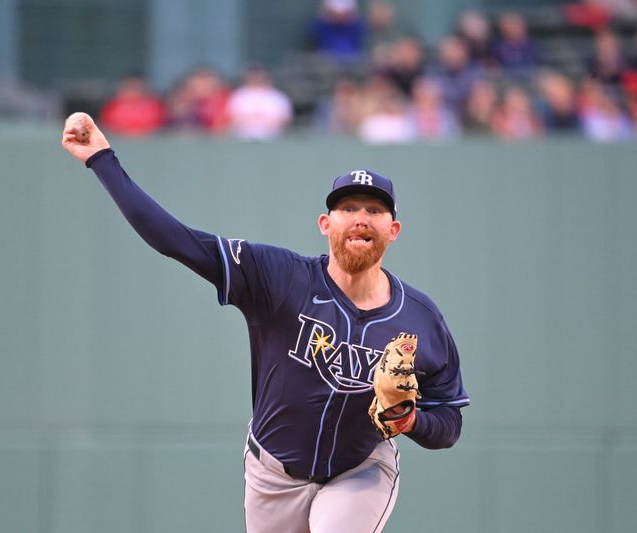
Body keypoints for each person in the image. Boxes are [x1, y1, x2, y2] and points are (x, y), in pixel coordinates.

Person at [61, 114, 469, 533]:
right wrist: (101, 158)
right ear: (326, 224)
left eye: (375, 209)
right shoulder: (279, 277)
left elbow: (449, 423)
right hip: (273, 472)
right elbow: (175, 240)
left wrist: (410, 422)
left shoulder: (420, 318)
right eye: (347, 207)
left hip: (360, 470)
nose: (361, 217)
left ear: (393, 229)